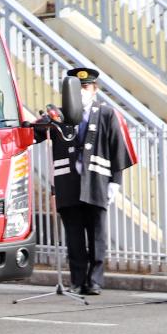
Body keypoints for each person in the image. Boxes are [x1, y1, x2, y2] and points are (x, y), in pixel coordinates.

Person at [33, 66, 136, 296]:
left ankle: (95, 281)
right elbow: (35, 133)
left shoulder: (107, 113)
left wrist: (115, 182)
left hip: (96, 182)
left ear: (95, 89)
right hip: (68, 183)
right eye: (77, 87)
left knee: (97, 235)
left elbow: (116, 149)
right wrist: (41, 121)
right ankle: (77, 280)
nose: (81, 91)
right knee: (74, 237)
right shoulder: (59, 115)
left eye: (86, 86)